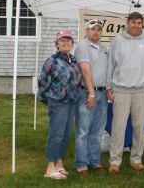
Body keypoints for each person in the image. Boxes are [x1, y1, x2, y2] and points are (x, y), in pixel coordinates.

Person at [106, 12, 144, 173]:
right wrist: (109, 86)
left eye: (139, 22)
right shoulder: (117, 41)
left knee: (139, 127)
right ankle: (115, 161)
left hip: (141, 91)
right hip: (120, 90)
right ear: (127, 23)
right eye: (133, 22)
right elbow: (111, 65)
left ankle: (136, 159)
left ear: (142, 24)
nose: (136, 25)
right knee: (118, 127)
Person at [38, 29, 82, 179]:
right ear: (57, 44)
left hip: (71, 102)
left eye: (68, 40)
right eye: (62, 40)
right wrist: (48, 99)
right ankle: (50, 168)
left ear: (72, 43)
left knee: (65, 135)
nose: (66, 42)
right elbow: (43, 82)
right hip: (58, 102)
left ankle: (59, 163)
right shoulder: (52, 61)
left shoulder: (74, 60)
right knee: (56, 134)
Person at [74, 19, 109, 174]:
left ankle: (94, 162)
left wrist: (108, 88)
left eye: (99, 29)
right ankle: (81, 164)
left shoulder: (104, 48)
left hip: (102, 94)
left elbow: (107, 70)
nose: (96, 31)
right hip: (88, 93)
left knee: (97, 131)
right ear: (87, 31)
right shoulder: (82, 46)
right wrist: (91, 93)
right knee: (83, 131)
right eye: (93, 29)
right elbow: (85, 70)